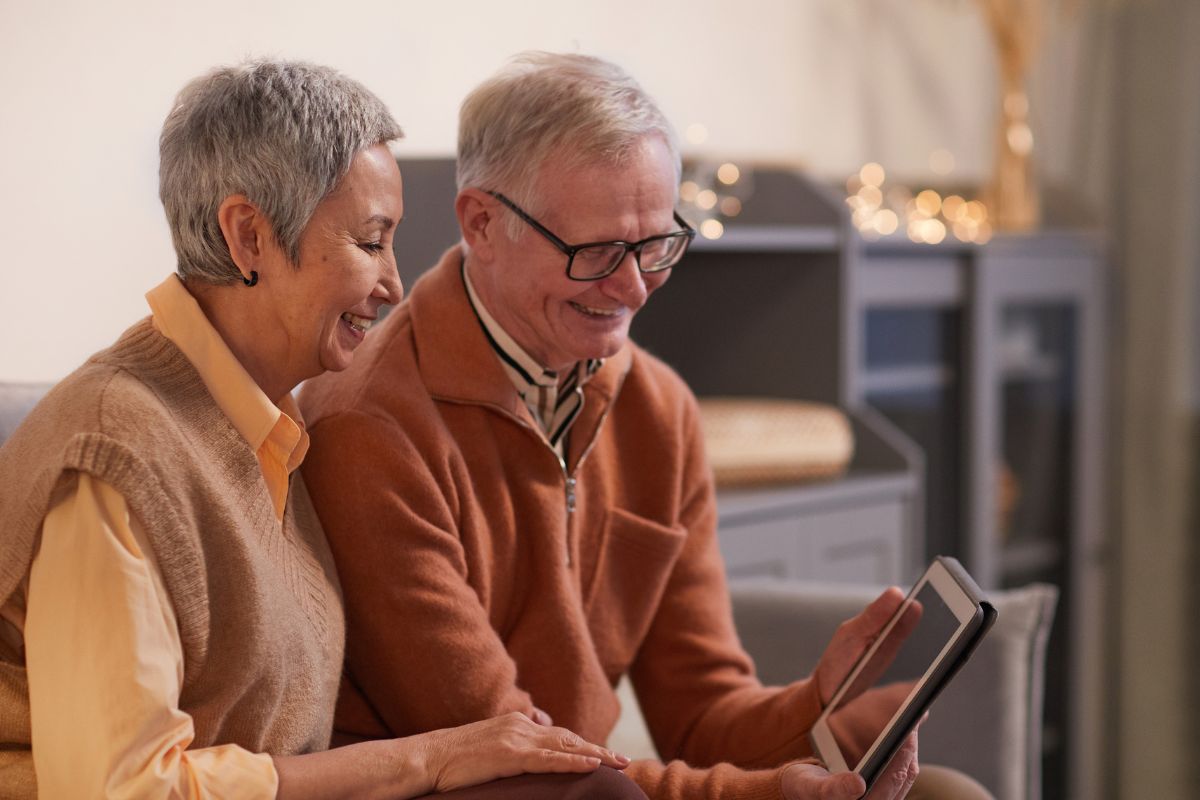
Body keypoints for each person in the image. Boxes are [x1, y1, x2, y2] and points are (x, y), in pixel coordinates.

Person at [298, 52, 993, 800]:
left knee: (944, 793)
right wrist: (764, 793)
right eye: (595, 252)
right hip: (478, 786)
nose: (632, 289)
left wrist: (822, 702)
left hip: (594, 781)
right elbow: (515, 749)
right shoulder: (370, 428)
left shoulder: (659, 411)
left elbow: (701, 713)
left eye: (657, 244)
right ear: (482, 223)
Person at [0, 59, 642, 799]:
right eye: (371, 242)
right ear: (249, 237)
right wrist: (422, 760)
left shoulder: (269, 427)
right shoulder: (115, 453)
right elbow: (122, 791)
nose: (394, 284)